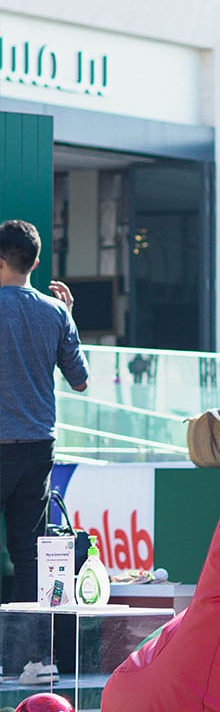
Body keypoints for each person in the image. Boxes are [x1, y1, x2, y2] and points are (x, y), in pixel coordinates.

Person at [0, 220, 89, 687]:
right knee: (29, 555)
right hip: (37, 447)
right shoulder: (56, 312)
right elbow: (80, 380)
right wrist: (67, 317)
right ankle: (32, 660)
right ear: (35, 262)